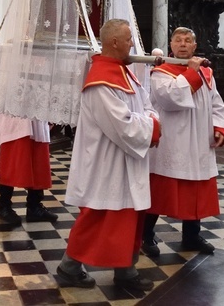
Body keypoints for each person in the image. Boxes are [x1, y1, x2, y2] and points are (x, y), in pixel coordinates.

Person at [57, 19, 160, 291]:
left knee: (127, 218)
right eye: (128, 39)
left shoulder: (124, 73)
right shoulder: (101, 81)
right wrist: (152, 125)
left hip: (126, 160)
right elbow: (123, 126)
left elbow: (146, 104)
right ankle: (69, 268)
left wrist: (149, 120)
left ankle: (125, 272)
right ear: (114, 42)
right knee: (100, 218)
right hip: (107, 164)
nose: (132, 44)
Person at [141, 27, 224, 258]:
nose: (182, 44)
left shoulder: (206, 73)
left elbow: (216, 103)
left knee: (196, 191)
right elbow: (170, 100)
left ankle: (191, 236)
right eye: (178, 40)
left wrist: (218, 127)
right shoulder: (160, 72)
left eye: (187, 41)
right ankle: (145, 235)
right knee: (160, 191)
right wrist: (190, 73)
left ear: (194, 47)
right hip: (172, 142)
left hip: (199, 140)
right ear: (171, 44)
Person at [0, 114, 58, 226]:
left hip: (37, 112)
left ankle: (34, 206)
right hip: (15, 112)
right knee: (12, 159)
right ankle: (4, 207)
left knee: (38, 157)